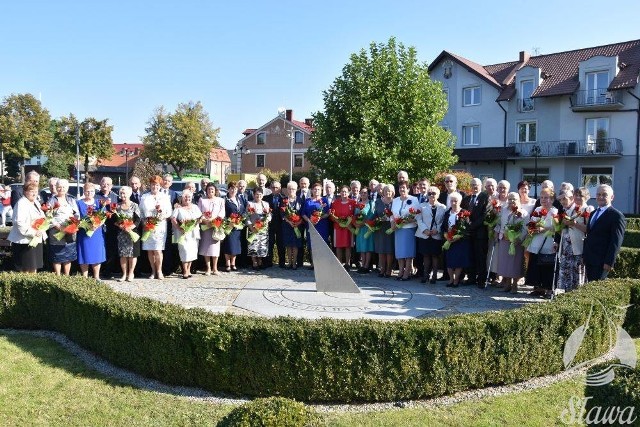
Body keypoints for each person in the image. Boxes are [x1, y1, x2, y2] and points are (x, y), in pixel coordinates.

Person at [583, 184, 626, 282]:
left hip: (602, 262)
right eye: (598, 194)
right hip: (590, 259)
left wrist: (609, 262)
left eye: (604, 194)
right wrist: (585, 256)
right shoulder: (593, 213)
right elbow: (590, 235)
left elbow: (616, 241)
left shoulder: (616, 216)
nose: (600, 197)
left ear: (612, 197)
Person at [525, 188, 559, 298]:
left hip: (547, 242)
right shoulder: (538, 209)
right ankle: (538, 288)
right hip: (536, 242)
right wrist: (532, 228)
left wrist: (543, 228)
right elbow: (532, 222)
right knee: (536, 266)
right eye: (542, 197)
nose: (543, 200)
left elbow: (557, 227)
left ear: (552, 199)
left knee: (547, 267)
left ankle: (549, 289)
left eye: (546, 197)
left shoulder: (555, 211)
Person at [556, 189, 593, 291]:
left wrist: (574, 224)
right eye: (575, 195)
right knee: (567, 272)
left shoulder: (588, 209)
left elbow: (589, 230)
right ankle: (566, 294)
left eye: (580, 196)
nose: (577, 198)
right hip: (566, 247)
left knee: (577, 272)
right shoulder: (570, 209)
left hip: (578, 246)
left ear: (587, 197)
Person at [8, 182, 46, 273]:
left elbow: (42, 218)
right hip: (25, 241)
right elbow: (19, 223)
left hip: (36, 240)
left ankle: (32, 286)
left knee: (34, 267)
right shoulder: (21, 203)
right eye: (31, 191)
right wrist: (33, 232)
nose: (34, 193)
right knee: (26, 269)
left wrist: (42, 227)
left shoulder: (36, 202)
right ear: (25, 192)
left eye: (36, 191)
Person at [140, 175, 172, 280]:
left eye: (157, 185)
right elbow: (140, 212)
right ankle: (153, 271)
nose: (155, 187)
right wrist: (144, 220)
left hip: (160, 226)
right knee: (150, 250)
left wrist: (161, 214)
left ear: (160, 185)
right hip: (148, 225)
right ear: (150, 185)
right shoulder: (144, 197)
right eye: (153, 184)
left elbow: (169, 212)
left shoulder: (165, 197)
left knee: (158, 250)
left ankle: (159, 271)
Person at [494, 192, 528, 293]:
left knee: (515, 264)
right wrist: (496, 233)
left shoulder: (524, 213)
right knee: (505, 263)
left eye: (514, 199)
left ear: (518, 200)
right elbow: (499, 223)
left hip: (516, 242)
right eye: (510, 199)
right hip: (504, 239)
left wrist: (519, 238)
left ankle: (514, 285)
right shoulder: (503, 211)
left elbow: (525, 228)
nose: (512, 201)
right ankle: (507, 283)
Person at [46, 179, 79, 276]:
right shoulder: (52, 200)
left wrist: (72, 224)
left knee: (68, 254)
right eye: (59, 187)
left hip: (69, 231)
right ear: (56, 188)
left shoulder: (71, 200)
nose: (61, 189)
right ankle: (58, 275)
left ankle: (67, 275)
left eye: (64, 187)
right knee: (57, 254)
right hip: (56, 231)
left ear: (67, 188)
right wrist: (57, 225)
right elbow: (48, 216)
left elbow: (76, 214)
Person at [462, 178, 489, 287]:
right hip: (468, 234)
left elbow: (484, 215)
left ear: (481, 186)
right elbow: (462, 212)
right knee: (470, 256)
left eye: (477, 185)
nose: (474, 187)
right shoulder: (467, 199)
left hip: (480, 233)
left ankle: (481, 280)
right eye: (472, 185)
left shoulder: (485, 197)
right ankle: (471, 278)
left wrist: (472, 226)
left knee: (480, 257)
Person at [415, 186, 446, 284]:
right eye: (430, 193)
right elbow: (419, 219)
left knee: (435, 256)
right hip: (425, 234)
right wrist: (425, 230)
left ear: (438, 195)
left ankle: (435, 275)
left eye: (434, 193)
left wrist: (437, 230)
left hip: (436, 234)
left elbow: (443, 221)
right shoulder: (422, 206)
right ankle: (425, 275)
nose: (432, 195)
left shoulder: (443, 207)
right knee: (426, 255)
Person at [76, 182, 106, 279]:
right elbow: (76, 218)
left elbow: (103, 216)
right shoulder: (79, 203)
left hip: (96, 233)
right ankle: (85, 277)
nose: (89, 193)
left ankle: (96, 276)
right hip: (84, 233)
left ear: (95, 192)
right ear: (84, 192)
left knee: (96, 254)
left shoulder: (99, 202)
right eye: (87, 191)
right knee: (84, 253)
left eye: (92, 191)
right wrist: (87, 226)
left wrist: (97, 225)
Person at [440, 192, 470, 287]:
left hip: (460, 241)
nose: (453, 203)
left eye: (456, 201)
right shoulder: (447, 213)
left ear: (460, 201)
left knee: (458, 262)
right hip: (449, 240)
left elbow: (467, 228)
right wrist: (446, 235)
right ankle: (451, 279)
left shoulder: (464, 213)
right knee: (449, 261)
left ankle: (456, 280)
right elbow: (443, 227)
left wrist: (458, 236)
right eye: (452, 201)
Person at [390, 182, 419, 281]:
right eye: (400, 188)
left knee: (408, 252)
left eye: (404, 188)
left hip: (409, 228)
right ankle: (401, 271)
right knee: (400, 252)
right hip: (398, 229)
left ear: (408, 189)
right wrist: (392, 223)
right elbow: (392, 214)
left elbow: (416, 214)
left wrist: (407, 220)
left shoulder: (414, 199)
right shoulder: (395, 200)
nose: (402, 190)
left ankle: (407, 272)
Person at [171, 189, 202, 278]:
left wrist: (197, 221)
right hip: (182, 233)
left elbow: (200, 218)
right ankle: (184, 270)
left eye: (189, 197)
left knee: (192, 252)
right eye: (185, 197)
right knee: (184, 251)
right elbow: (173, 219)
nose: (187, 198)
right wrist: (180, 228)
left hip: (193, 233)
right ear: (181, 198)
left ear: (191, 198)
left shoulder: (195, 207)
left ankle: (188, 270)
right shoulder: (178, 208)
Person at [198, 182, 225, 275]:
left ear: (215, 191)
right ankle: (208, 268)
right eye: (209, 189)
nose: (210, 191)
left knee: (215, 248)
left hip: (216, 226)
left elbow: (222, 213)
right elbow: (199, 212)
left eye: (212, 189)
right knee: (206, 248)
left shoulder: (220, 200)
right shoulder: (202, 200)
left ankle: (215, 268)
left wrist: (214, 221)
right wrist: (205, 220)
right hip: (205, 227)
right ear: (206, 191)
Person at [114, 185, 141, 282]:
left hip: (132, 233)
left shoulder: (135, 205)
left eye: (124, 193)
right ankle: (124, 274)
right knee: (123, 255)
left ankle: (131, 273)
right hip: (122, 234)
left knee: (132, 255)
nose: (122, 195)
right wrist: (120, 226)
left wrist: (130, 227)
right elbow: (115, 220)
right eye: (121, 193)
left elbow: (138, 220)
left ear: (129, 194)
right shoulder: (117, 206)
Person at [301, 182, 330, 269]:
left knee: (322, 244)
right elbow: (303, 213)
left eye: (318, 189)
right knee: (312, 245)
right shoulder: (307, 201)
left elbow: (328, 213)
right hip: (311, 226)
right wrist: (309, 221)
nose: (316, 191)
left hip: (322, 225)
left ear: (321, 191)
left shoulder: (324, 200)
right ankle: (313, 264)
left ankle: (322, 264)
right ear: (312, 190)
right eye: (315, 189)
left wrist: (319, 219)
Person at [96, 176, 119, 278]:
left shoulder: (116, 197)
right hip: (97, 227)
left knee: (110, 249)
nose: (106, 186)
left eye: (108, 184)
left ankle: (108, 271)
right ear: (100, 184)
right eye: (104, 183)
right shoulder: (95, 196)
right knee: (99, 248)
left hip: (111, 227)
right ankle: (97, 271)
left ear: (112, 186)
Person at [245, 187, 271, 269]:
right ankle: (254, 262)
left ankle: (260, 261)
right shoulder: (250, 204)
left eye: (260, 194)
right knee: (253, 246)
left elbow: (269, 215)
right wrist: (251, 227)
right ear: (253, 195)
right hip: (253, 228)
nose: (258, 196)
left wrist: (266, 221)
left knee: (261, 246)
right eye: (256, 194)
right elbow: (247, 217)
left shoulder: (266, 204)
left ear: (262, 195)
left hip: (263, 229)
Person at [281, 181, 304, 269]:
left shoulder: (300, 200)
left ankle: (294, 263)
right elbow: (282, 214)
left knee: (295, 245)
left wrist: (299, 222)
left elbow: (302, 213)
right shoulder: (283, 200)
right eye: (289, 189)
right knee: (288, 245)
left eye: (293, 189)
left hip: (297, 226)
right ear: (287, 189)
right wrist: (289, 221)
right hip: (287, 225)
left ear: (296, 189)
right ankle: (289, 263)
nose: (291, 190)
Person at [223, 181, 245, 271]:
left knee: (236, 245)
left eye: (235, 188)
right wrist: (228, 221)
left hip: (238, 225)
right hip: (229, 225)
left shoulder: (239, 199)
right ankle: (227, 264)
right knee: (228, 244)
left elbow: (243, 210)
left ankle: (233, 263)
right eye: (231, 188)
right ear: (228, 189)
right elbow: (222, 212)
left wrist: (241, 218)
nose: (233, 190)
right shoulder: (225, 199)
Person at [373, 184, 395, 277]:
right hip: (380, 228)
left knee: (389, 250)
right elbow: (374, 214)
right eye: (386, 191)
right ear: (383, 192)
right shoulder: (378, 201)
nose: (388, 193)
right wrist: (377, 220)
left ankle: (389, 269)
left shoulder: (395, 202)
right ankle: (382, 268)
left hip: (391, 227)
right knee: (381, 249)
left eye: (389, 191)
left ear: (393, 192)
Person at [264, 181, 285, 268]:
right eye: (273, 187)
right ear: (270, 188)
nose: (275, 189)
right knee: (270, 243)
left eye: (277, 187)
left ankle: (282, 263)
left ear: (280, 188)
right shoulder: (265, 198)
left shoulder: (284, 198)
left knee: (281, 244)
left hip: (281, 224)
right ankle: (269, 262)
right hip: (270, 224)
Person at [354, 187, 375, 273]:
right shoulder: (357, 204)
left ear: (368, 194)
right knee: (362, 247)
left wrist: (364, 222)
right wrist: (357, 223)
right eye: (362, 192)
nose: (363, 194)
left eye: (365, 193)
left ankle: (366, 266)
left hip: (367, 227)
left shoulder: (371, 203)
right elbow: (355, 215)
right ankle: (362, 265)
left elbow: (372, 215)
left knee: (368, 246)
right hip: (360, 228)